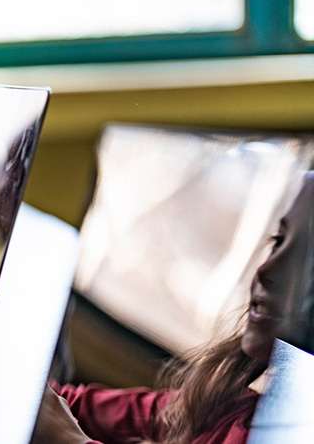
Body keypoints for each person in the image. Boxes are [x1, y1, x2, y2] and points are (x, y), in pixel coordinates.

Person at [31, 173, 314, 444]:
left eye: (305, 262)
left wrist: (68, 438)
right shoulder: (228, 409)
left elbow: (61, 423)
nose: (266, 270)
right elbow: (76, 405)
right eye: (277, 242)